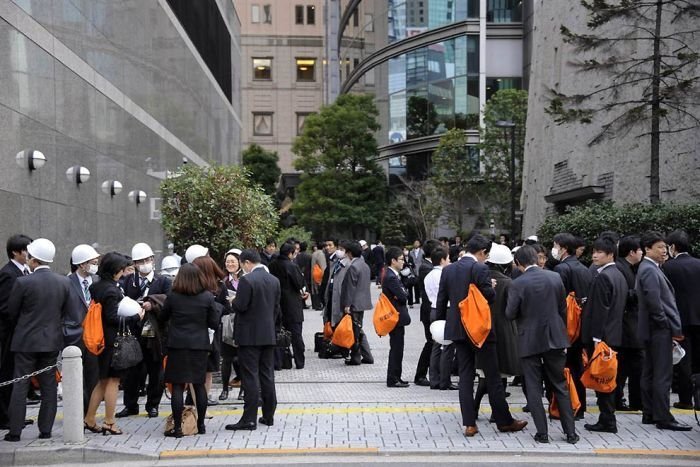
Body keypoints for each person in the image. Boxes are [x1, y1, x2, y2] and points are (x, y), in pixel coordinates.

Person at [436, 235, 526, 437]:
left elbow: (441, 301)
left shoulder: (448, 270)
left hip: (458, 330)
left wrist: (441, 325)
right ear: (482, 252)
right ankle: (504, 421)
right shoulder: (479, 268)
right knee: (492, 376)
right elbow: (490, 297)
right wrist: (491, 287)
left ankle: (469, 424)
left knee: (466, 375)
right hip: (480, 331)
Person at [506, 246, 579, 444]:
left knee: (533, 387)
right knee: (560, 386)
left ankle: (542, 433)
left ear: (519, 263)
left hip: (529, 339)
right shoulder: (555, 277)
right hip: (555, 337)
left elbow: (510, 313)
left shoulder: (517, 283)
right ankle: (570, 433)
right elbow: (562, 309)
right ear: (536, 259)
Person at [3, 239, 71, 442]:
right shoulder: (63, 282)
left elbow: (12, 312)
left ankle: (15, 432)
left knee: (20, 385)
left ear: (33, 259)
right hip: (51, 340)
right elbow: (67, 312)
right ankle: (46, 430)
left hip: (25, 341)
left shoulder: (23, 282)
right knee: (49, 385)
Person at [636, 232, 691, 431]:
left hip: (652, 329)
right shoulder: (650, 269)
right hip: (658, 329)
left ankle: (650, 412)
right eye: (659, 247)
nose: (664, 251)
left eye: (665, 247)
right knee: (662, 374)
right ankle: (663, 417)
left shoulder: (649, 267)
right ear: (647, 249)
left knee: (651, 372)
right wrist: (663, 323)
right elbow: (653, 301)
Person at [84, 252, 143, 436]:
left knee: (102, 382)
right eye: (122, 269)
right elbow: (111, 318)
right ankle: (109, 422)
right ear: (115, 270)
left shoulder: (97, 286)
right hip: (112, 341)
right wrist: (135, 317)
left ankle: (90, 418)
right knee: (113, 381)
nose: (124, 272)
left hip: (102, 340)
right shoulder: (111, 290)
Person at [160, 264, 220, 437]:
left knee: (178, 385)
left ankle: (178, 428)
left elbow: (163, 317)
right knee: (199, 385)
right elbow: (214, 323)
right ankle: (201, 425)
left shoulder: (173, 297)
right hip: (199, 345)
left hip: (177, 345)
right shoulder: (207, 297)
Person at [226, 250, 280, 431]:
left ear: (247, 262)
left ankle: (249, 419)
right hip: (268, 334)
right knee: (267, 375)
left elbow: (241, 306)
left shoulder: (247, 281)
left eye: (242, 265)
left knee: (250, 376)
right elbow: (276, 309)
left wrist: (233, 300)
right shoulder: (274, 280)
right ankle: (269, 415)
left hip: (249, 336)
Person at [116, 243, 172, 419]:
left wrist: (152, 305)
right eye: (140, 261)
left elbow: (169, 304)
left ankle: (153, 404)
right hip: (133, 331)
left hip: (155, 332)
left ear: (153, 260)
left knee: (156, 370)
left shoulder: (163, 281)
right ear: (134, 263)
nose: (144, 264)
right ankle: (130, 405)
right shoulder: (127, 281)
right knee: (132, 370)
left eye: (147, 260)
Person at [581, 238, 629, 434]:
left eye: (599, 252)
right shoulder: (618, 274)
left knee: (603, 379)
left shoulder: (604, 277)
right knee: (609, 378)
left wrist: (595, 338)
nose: (594, 255)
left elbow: (600, 310)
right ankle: (606, 419)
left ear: (610, 254)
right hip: (615, 334)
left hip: (603, 338)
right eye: (594, 251)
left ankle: (607, 420)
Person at [475, 243, 521, 414]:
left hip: (482, 329)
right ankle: (497, 413)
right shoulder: (509, 283)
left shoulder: (479, 279)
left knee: (483, 375)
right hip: (504, 331)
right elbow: (512, 310)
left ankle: (474, 407)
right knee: (500, 374)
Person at [552, 232, 593, 418]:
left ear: (563, 248)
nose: (554, 249)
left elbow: (558, 301)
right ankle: (580, 406)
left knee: (564, 368)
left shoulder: (562, 269)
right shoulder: (585, 269)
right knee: (577, 366)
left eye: (555, 245)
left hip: (565, 326)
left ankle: (569, 406)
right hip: (581, 325)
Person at [662, 230, 700, 410]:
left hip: (679, 320)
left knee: (684, 359)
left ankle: (685, 399)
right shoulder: (698, 264)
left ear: (673, 247)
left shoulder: (667, 267)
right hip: (699, 319)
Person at [0, 234, 32, 430]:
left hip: (22, 333)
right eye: (27, 250)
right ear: (16, 252)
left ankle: (15, 415)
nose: (30, 254)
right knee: (8, 374)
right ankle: (5, 417)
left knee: (17, 376)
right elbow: (5, 307)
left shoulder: (25, 271)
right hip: (10, 334)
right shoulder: (8, 274)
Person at [66, 244, 101, 415]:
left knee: (93, 377)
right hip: (74, 337)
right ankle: (78, 413)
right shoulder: (67, 282)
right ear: (81, 264)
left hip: (94, 338)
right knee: (75, 379)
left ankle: (90, 414)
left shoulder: (98, 281)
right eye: (92, 262)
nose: (95, 265)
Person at [192, 256, 229, 405]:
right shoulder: (192, 285)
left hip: (212, 333)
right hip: (196, 332)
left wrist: (214, 308)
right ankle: (195, 402)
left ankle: (203, 402)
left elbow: (226, 308)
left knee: (208, 370)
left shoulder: (220, 286)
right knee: (196, 371)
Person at [614, 236, 644, 411]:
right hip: (626, 328)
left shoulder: (629, 268)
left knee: (628, 367)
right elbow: (623, 296)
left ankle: (630, 401)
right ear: (632, 252)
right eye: (640, 250)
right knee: (625, 367)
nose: (641, 253)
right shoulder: (621, 269)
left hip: (630, 328)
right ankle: (622, 400)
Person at [269, 242, 307, 370]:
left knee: (279, 333)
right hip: (292, 304)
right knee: (296, 335)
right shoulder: (292, 266)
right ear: (290, 253)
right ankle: (299, 362)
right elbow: (299, 283)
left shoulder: (272, 265)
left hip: (277, 303)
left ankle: (280, 362)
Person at [339, 240, 374, 366]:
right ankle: (367, 355)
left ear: (349, 253)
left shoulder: (353, 267)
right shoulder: (364, 265)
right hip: (362, 302)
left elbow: (350, 288)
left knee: (354, 331)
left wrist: (347, 305)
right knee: (358, 329)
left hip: (354, 303)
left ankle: (355, 357)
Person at [426, 247, 455, 390]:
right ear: (443, 259)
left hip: (433, 309)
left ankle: (434, 379)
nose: (449, 261)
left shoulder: (429, 275)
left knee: (436, 345)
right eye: (448, 258)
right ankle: (445, 381)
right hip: (446, 310)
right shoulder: (445, 274)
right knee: (448, 346)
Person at [383, 247, 411, 387]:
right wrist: (404, 293)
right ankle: (393, 378)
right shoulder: (391, 277)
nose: (403, 262)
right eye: (401, 259)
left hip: (396, 316)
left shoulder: (393, 275)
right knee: (396, 348)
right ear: (393, 261)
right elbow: (403, 296)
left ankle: (396, 376)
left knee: (397, 348)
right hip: (395, 317)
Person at [414, 239, 439, 386]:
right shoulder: (426, 267)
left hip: (430, 309)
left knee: (433, 342)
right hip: (429, 310)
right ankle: (420, 375)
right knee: (430, 342)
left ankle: (429, 373)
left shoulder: (429, 266)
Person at [219, 249, 242, 401]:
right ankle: (225, 388)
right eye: (228, 262)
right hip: (227, 324)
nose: (230, 264)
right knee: (227, 359)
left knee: (241, 358)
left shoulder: (246, 279)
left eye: (233, 261)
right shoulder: (222, 282)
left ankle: (243, 388)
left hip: (242, 322)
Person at [310, 242, 327, 310]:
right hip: (319, 275)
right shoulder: (321, 254)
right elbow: (323, 267)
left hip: (314, 273)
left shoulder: (314, 253)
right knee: (319, 290)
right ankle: (320, 304)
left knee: (315, 290)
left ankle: (316, 304)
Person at [295, 242, 312, 309]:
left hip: (299, 272)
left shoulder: (297, 256)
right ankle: (304, 303)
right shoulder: (308, 256)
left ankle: (302, 303)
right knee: (305, 289)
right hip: (307, 273)